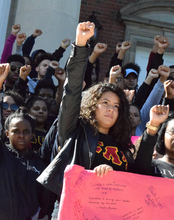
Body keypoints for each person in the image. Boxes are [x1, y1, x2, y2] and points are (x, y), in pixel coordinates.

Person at [37, 21, 135, 218]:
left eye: (116, 106)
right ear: (92, 105)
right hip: (74, 210)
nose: (111, 109)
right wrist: (81, 46)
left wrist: (112, 174)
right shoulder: (74, 131)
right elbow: (72, 92)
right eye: (106, 102)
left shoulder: (122, 142)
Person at [2, 107, 51, 219]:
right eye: (15, 131)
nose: (21, 135)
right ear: (7, 133)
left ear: (32, 135)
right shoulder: (2, 155)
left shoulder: (40, 164)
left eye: (26, 132)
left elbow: (45, 201)